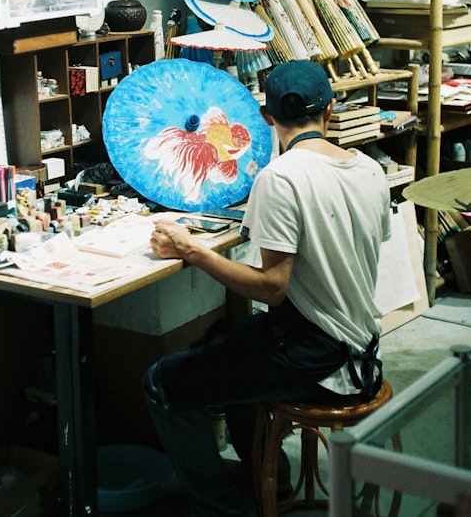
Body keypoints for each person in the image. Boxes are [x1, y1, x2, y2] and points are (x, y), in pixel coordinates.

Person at [142, 59, 392, 515]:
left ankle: (229, 503)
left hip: (319, 359)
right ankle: (266, 480)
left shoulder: (280, 177)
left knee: (162, 381)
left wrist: (192, 251)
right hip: (362, 343)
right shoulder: (370, 170)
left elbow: (272, 288)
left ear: (265, 116)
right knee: (224, 339)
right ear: (331, 111)